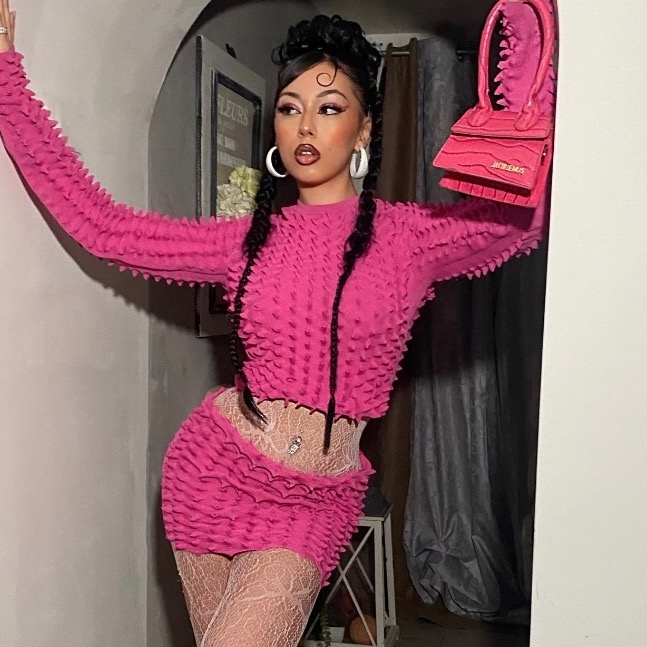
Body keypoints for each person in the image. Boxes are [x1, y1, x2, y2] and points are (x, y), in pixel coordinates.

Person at [0, 1, 555, 646]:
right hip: (211, 476)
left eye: (329, 107)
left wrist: (528, 88)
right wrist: (8, 84)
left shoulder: (409, 239)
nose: (305, 126)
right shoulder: (246, 241)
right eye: (290, 109)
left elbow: (516, 223)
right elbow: (104, 227)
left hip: (314, 503)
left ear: (364, 129)